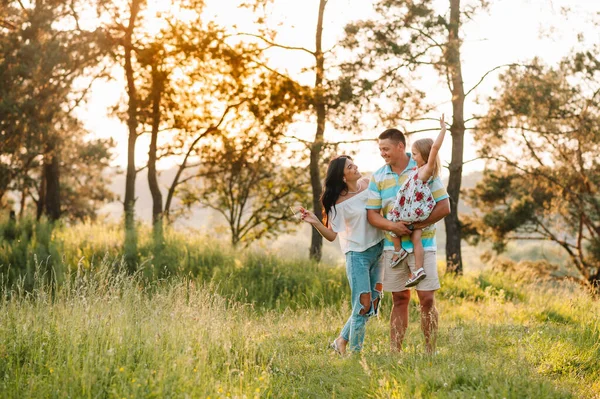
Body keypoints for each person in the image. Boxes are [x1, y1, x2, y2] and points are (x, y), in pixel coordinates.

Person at [366, 123, 451, 354]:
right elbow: (372, 215)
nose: (382, 154)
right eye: (380, 150)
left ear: (400, 146)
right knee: (399, 299)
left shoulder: (422, 167)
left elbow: (444, 207)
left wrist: (415, 226)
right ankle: (395, 353)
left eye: (386, 149)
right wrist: (394, 226)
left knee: (426, 299)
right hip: (393, 249)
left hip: (423, 245)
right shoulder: (378, 176)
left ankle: (430, 352)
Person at [298, 155, 383, 354]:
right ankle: (355, 355)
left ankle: (340, 341)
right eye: (350, 166)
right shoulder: (337, 202)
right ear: (343, 176)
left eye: (354, 163)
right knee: (362, 304)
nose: (355, 167)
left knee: (373, 302)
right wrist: (315, 221)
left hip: (379, 250)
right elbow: (331, 235)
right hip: (357, 256)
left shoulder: (368, 184)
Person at [387, 115, 447, 288]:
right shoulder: (418, 170)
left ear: (426, 155)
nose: (412, 157)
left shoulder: (426, 170)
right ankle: (418, 269)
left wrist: (443, 129)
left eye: (414, 154)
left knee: (392, 225)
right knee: (416, 239)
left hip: (412, 211)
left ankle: (398, 252)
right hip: (419, 213)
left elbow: (435, 147)